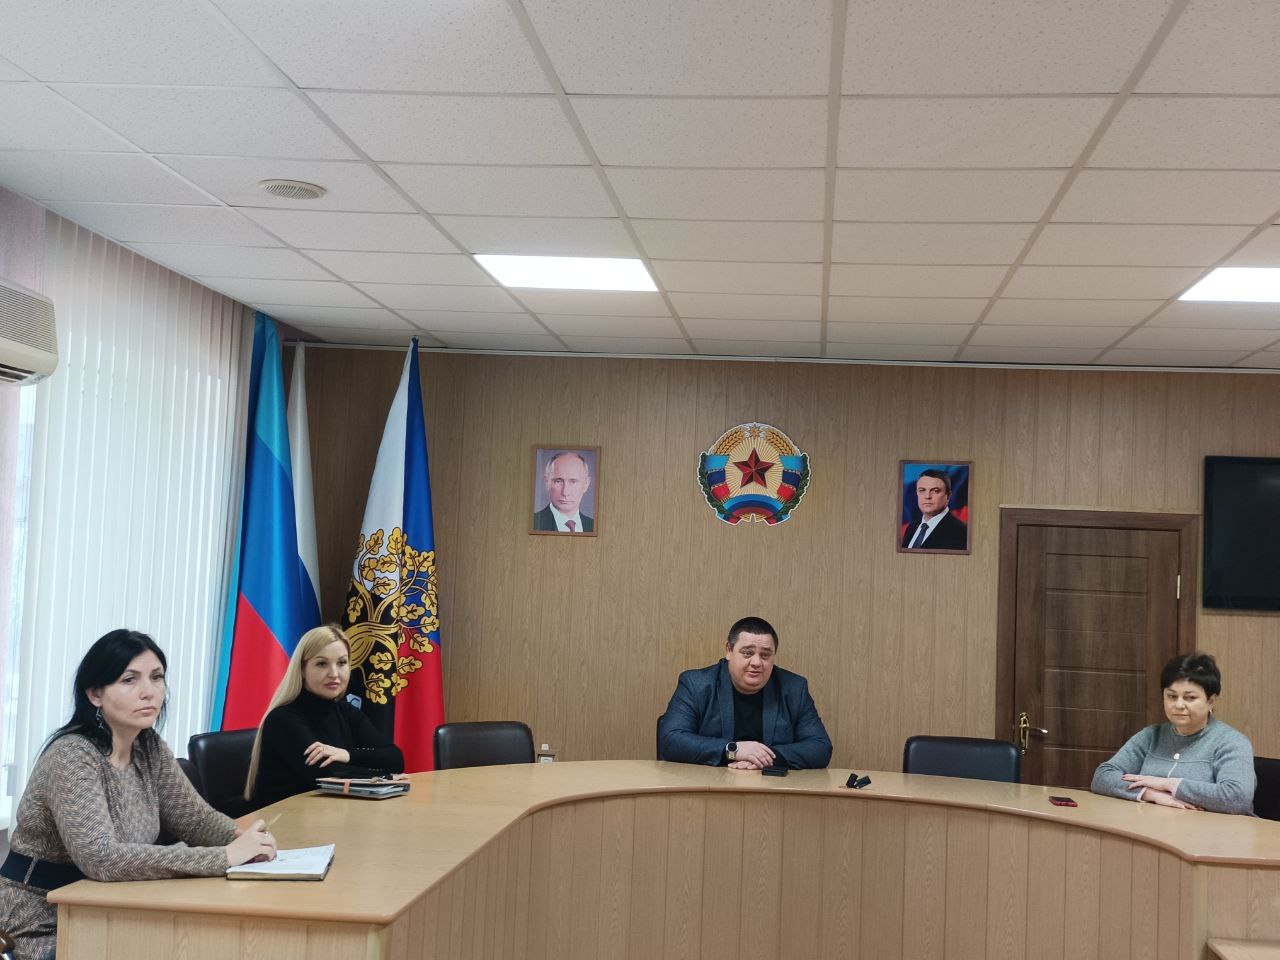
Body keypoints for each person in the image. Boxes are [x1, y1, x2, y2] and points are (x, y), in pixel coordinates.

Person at [0, 630, 276, 960]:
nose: (149, 691)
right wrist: (225, 857)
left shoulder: (148, 746)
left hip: (113, 904)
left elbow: (196, 820)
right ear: (95, 694)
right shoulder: (71, 755)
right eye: (129, 680)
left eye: (156, 677)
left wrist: (244, 840)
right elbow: (101, 858)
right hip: (42, 918)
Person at [246, 624, 405, 808]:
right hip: (283, 818)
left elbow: (395, 758)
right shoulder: (282, 718)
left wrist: (347, 755)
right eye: (322, 664)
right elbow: (326, 775)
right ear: (302, 669)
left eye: (342, 663)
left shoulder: (346, 711)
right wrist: (384, 777)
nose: (334, 674)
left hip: (331, 812)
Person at [1091, 652, 1255, 815]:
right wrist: (1150, 794)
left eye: (1190, 698)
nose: (1178, 705)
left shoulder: (1231, 742)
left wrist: (1169, 784)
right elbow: (1102, 776)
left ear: (1211, 701)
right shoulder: (1150, 736)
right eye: (1172, 696)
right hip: (1151, 824)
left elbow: (1237, 798)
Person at [658, 617, 832, 770]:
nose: (756, 662)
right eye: (748, 653)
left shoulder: (794, 688)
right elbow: (670, 740)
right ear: (729, 650)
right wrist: (734, 750)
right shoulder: (696, 684)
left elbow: (820, 747)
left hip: (770, 788)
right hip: (710, 786)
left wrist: (765, 758)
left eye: (765, 655)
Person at [901, 469, 967, 550]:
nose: (927, 496)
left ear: (948, 496)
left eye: (935, 491)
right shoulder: (911, 528)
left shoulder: (961, 532)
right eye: (922, 490)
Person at [532, 451, 594, 533]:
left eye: (573, 482)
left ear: (586, 484)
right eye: (558, 481)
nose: (565, 492)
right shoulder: (533, 524)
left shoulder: (594, 526)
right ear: (547, 482)